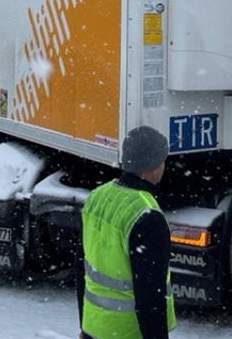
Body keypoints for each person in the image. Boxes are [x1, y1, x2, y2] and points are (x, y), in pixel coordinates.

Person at [79, 126, 176, 339]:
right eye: (162, 160)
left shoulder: (97, 197)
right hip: (128, 332)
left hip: (94, 328)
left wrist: (84, 327)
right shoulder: (147, 216)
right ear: (153, 166)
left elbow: (83, 268)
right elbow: (149, 296)